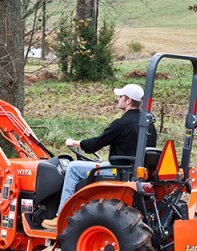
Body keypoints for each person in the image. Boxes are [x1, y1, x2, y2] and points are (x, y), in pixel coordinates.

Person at [41, 84, 157, 230]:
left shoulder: (121, 124)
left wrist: (75, 143)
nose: (118, 99)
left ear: (128, 101)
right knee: (99, 163)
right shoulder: (148, 124)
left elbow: (94, 145)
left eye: (121, 97)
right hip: (132, 168)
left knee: (73, 167)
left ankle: (60, 216)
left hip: (120, 170)